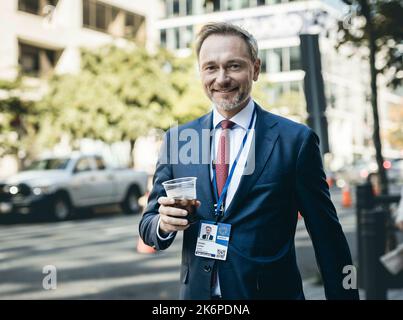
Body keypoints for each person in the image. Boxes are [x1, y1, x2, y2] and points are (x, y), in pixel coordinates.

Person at [139, 22, 359, 300]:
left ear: (255, 68)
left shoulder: (295, 141)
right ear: (200, 72)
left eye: (233, 66)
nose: (222, 79)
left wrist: (346, 296)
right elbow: (148, 226)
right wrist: (163, 224)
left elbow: (328, 237)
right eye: (210, 67)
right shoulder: (178, 139)